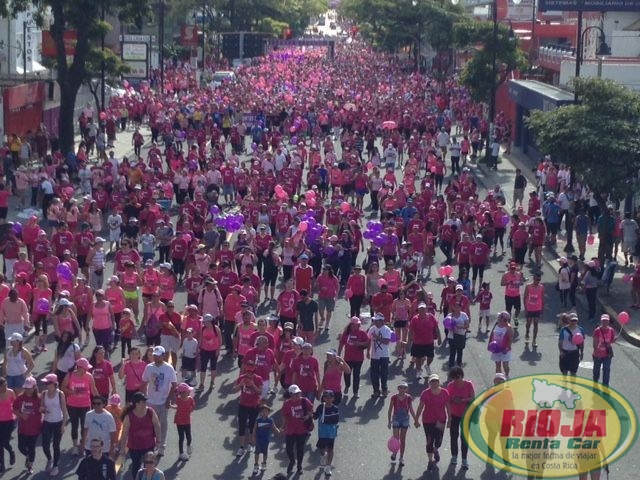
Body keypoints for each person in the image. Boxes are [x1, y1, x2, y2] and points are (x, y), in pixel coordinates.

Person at [140, 345, 177, 456]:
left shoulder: (169, 368)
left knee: (162, 425)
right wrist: (143, 397)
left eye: (158, 356)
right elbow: (144, 382)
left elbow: (174, 384)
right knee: (149, 424)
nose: (156, 358)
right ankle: (150, 445)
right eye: (155, 356)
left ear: (163, 356)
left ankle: (161, 446)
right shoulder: (149, 367)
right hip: (150, 401)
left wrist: (168, 399)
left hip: (162, 401)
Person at [119, 392, 162, 478]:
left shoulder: (150, 412)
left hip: (149, 445)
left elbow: (157, 426)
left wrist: (158, 440)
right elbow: (124, 433)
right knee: (136, 466)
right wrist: (122, 448)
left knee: (149, 466)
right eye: (143, 402)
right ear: (136, 404)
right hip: (134, 447)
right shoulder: (129, 416)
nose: (145, 403)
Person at [62, 357, 99, 455]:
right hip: (72, 405)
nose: (87, 370)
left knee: (84, 426)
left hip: (85, 404)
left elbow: (93, 389)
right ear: (79, 367)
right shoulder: (69, 376)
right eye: (85, 368)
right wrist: (71, 392)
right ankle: (75, 446)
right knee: (74, 425)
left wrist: (99, 402)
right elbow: (63, 387)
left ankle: (82, 445)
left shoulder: (89, 376)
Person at [415, 374, 451, 472]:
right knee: (429, 440)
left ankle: (436, 449)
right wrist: (416, 419)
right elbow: (420, 406)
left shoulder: (445, 392)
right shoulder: (425, 393)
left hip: (440, 420)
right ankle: (430, 460)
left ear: (439, 382)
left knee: (438, 440)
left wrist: (450, 420)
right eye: (432, 381)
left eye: (436, 381)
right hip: (428, 420)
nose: (434, 383)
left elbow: (448, 406)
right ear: (429, 383)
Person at [446, 366, 475, 469]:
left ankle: (464, 459)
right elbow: (447, 401)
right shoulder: (450, 386)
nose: (456, 380)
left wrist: (462, 400)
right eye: (454, 377)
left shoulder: (468, 384)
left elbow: (472, 398)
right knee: (453, 436)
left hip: (466, 414)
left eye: (458, 377)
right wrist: (449, 417)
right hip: (454, 414)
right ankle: (454, 456)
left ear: (462, 375)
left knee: (464, 438)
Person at [281, 384, 314, 475]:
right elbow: (285, 416)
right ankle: (292, 461)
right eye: (295, 394)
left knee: (300, 449)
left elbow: (311, 410)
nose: (297, 395)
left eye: (298, 393)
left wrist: (307, 416)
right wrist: (283, 426)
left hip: (302, 429)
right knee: (289, 449)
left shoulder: (304, 401)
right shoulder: (287, 404)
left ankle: (299, 466)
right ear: (291, 395)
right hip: (291, 429)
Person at [233, 359, 263, 457]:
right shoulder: (242, 378)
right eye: (248, 371)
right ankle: (241, 447)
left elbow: (260, 392)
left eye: (251, 371)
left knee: (252, 425)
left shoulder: (258, 379)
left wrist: (253, 385)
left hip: (254, 405)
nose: (249, 373)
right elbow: (234, 390)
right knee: (241, 425)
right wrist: (241, 384)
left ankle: (250, 443)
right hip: (243, 405)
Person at [40, 373, 68, 476]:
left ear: (54, 384)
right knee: (45, 445)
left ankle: (55, 466)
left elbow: (64, 411)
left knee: (56, 445)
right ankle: (49, 459)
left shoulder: (60, 394)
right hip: (47, 422)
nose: (46, 385)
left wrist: (63, 425)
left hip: (58, 422)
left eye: (48, 383)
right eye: (45, 383)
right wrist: (43, 409)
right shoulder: (43, 394)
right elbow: (41, 407)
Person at [13, 376, 42, 474]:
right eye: (25, 387)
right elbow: (15, 409)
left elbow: (44, 409)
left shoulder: (39, 398)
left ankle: (30, 466)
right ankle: (28, 456)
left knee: (31, 447)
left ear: (34, 387)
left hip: (35, 428)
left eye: (29, 388)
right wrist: (21, 415)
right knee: (21, 447)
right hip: (22, 427)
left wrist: (43, 410)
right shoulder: (20, 397)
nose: (26, 390)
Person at [338, 317, 369, 399]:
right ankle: (347, 385)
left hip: (358, 358)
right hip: (348, 357)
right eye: (356, 324)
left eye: (359, 324)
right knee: (347, 373)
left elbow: (367, 343)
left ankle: (355, 391)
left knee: (356, 375)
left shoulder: (362, 333)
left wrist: (360, 343)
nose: (359, 325)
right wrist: (338, 354)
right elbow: (341, 343)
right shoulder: (346, 333)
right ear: (352, 325)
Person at [387, 382, 416, 466]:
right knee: (396, 438)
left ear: (406, 389)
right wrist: (389, 421)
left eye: (404, 388)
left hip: (405, 420)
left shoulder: (409, 398)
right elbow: (390, 410)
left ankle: (401, 457)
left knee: (403, 439)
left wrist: (416, 420)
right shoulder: (394, 397)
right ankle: (395, 452)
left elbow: (411, 409)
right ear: (398, 388)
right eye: (401, 388)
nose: (402, 390)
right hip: (396, 419)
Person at [314, 390, 340, 478]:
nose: (328, 399)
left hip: (331, 433)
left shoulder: (335, 408)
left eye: (330, 397)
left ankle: (328, 466)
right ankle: (323, 457)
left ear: (333, 398)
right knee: (322, 449)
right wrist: (310, 414)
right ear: (323, 398)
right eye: (326, 397)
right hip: (322, 433)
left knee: (330, 449)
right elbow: (315, 417)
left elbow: (336, 420)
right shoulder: (320, 407)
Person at [367, 313, 392, 398]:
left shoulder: (386, 330)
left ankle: (384, 389)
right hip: (374, 356)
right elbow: (369, 340)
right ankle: (376, 391)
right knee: (374, 374)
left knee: (384, 373)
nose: (375, 322)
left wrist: (377, 337)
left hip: (384, 355)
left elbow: (386, 341)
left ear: (381, 321)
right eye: (374, 320)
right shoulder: (372, 329)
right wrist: (368, 352)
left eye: (377, 320)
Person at [171, 382, 195, 461]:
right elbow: (176, 406)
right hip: (179, 421)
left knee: (189, 436)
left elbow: (193, 406)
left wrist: (190, 410)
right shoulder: (178, 400)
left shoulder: (190, 399)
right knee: (181, 437)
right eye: (187, 391)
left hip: (187, 421)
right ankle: (181, 453)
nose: (189, 392)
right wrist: (171, 406)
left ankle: (189, 446)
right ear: (182, 393)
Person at [592, 314, 616, 387]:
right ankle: (595, 382)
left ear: (608, 322)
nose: (605, 322)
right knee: (596, 370)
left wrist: (613, 340)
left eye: (606, 321)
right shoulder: (597, 331)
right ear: (601, 321)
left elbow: (611, 341)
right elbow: (594, 343)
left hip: (607, 355)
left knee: (606, 370)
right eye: (603, 321)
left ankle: (605, 385)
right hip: (597, 355)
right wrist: (596, 352)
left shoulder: (611, 330)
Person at [489, 311, 514, 378]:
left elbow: (511, 338)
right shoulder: (496, 324)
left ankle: (507, 375)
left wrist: (507, 348)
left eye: (500, 317)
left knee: (505, 365)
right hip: (496, 348)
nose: (498, 318)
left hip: (505, 349)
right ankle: (499, 379)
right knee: (497, 365)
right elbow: (492, 334)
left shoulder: (508, 327)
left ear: (504, 319)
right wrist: (490, 343)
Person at [523, 272, 545, 347]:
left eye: (538, 280)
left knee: (536, 323)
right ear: (533, 279)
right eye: (536, 279)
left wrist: (543, 307)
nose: (537, 281)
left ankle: (534, 340)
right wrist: (525, 308)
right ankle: (527, 332)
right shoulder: (528, 286)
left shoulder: (541, 287)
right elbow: (525, 297)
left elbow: (542, 297)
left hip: (537, 308)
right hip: (529, 307)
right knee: (528, 323)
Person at [445, 303, 469, 368]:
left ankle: (459, 366)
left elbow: (467, 325)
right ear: (453, 308)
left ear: (460, 308)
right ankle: (451, 367)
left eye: (458, 307)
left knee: (460, 351)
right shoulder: (450, 315)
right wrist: (450, 328)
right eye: (455, 307)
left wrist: (459, 327)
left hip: (461, 335)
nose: (457, 309)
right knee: (452, 352)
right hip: (452, 336)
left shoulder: (464, 315)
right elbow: (446, 324)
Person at [0, 377, 16, 473]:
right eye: (2, 386)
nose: (5, 387)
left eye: (6, 385)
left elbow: (15, 404)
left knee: (5, 442)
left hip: (9, 420)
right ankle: (2, 464)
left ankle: (11, 452)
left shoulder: (10, 392)